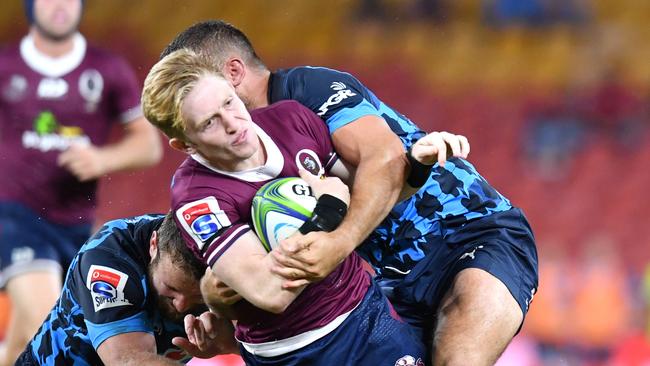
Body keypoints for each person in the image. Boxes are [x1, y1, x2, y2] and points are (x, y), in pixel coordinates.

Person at [161, 20, 538, 366]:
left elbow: (386, 160)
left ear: (232, 73)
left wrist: (339, 242)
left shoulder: (306, 90)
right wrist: (221, 305)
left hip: (475, 232)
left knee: (456, 356)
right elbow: (274, 270)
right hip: (390, 279)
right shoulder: (233, 166)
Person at [141, 49, 429, 366]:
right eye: (210, 122)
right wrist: (329, 210)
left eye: (228, 102)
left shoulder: (290, 119)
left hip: (368, 316)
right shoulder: (197, 199)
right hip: (294, 353)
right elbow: (270, 292)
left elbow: (365, 197)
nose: (233, 124)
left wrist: (415, 167)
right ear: (185, 145)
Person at [0, 0, 163, 364]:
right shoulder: (5, 66)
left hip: (76, 225)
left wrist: (101, 158)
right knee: (48, 321)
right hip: (13, 218)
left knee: (26, 343)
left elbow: (148, 144)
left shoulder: (106, 70)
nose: (60, 5)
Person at [15, 212, 238, 365]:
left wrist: (231, 343)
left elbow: (268, 344)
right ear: (154, 245)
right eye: (171, 289)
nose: (182, 306)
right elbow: (127, 359)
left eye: (199, 298)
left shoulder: (233, 262)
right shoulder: (108, 257)